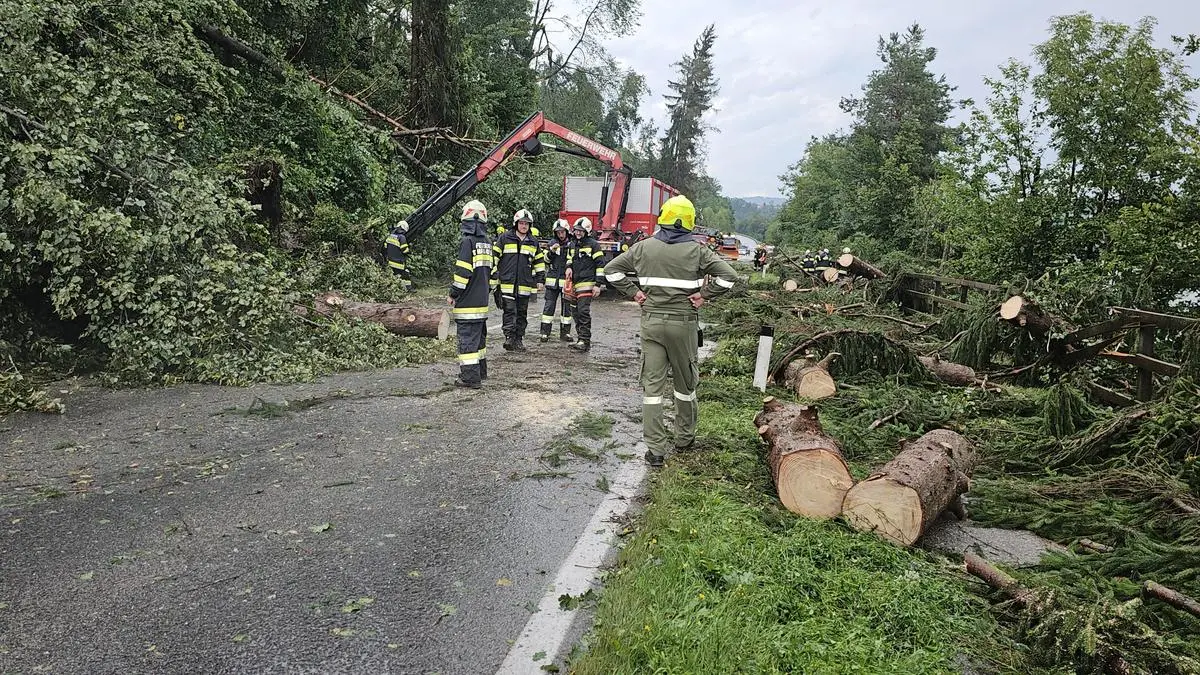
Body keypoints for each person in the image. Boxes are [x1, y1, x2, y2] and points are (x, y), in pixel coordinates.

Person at [603, 195, 739, 467]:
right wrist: (704, 295)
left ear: (663, 217)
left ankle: (655, 450)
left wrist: (635, 293)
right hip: (683, 324)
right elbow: (729, 277)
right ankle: (684, 439)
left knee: (652, 387)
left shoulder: (643, 247)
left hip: (652, 322)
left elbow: (611, 271)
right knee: (684, 385)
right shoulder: (698, 251)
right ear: (689, 221)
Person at [449, 200, 494, 389]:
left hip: (468, 304)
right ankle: (480, 372)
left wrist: (453, 294)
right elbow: (493, 274)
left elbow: (462, 274)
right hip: (481, 303)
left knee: (467, 341)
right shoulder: (488, 243)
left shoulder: (467, 242)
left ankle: (470, 378)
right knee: (479, 342)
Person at [494, 209, 545, 351]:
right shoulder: (505, 238)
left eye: (526, 224)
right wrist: (494, 275)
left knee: (522, 313)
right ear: (516, 223)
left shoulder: (533, 242)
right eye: (521, 223)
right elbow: (494, 257)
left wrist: (540, 279)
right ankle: (509, 337)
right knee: (509, 311)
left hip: (524, 284)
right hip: (507, 283)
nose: (524, 226)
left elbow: (539, 262)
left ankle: (518, 339)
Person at [565, 217, 604, 352]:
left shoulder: (593, 245)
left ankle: (584, 340)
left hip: (587, 282)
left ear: (587, 231)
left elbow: (600, 265)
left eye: (581, 231)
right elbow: (569, 259)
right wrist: (568, 267)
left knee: (583, 311)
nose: (578, 233)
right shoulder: (572, 244)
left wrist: (598, 284)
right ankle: (580, 339)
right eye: (576, 230)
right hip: (575, 283)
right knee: (575, 312)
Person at [540, 218, 574, 343]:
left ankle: (565, 333)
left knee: (566, 308)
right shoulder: (551, 243)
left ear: (567, 231)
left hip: (566, 282)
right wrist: (551, 252)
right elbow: (546, 260)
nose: (560, 235)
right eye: (558, 232)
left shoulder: (572, 244)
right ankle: (544, 333)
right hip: (552, 282)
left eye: (562, 232)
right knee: (548, 307)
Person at [385, 221, 413, 291]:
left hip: (390, 261)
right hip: (398, 262)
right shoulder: (402, 237)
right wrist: (409, 251)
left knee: (394, 276)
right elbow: (404, 250)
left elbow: (385, 246)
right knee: (406, 273)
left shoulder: (390, 236)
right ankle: (408, 288)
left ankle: (395, 288)